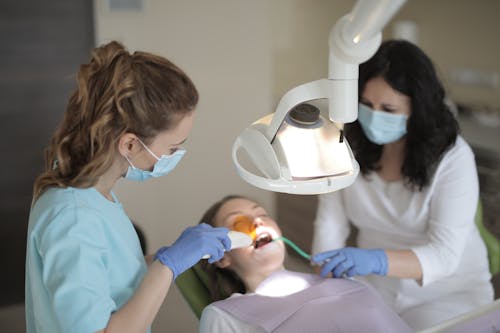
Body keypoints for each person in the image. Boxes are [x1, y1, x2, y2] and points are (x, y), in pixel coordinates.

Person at [25, 41, 231, 333]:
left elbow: (109, 274)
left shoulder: (93, 193)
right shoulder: (72, 217)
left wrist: (174, 256)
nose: (175, 156)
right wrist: (167, 265)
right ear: (131, 144)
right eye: (172, 148)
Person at [311, 39, 494, 330]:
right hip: (375, 286)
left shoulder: (453, 158)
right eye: (367, 105)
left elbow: (444, 256)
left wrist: (376, 260)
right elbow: (330, 223)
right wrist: (325, 273)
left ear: (417, 110)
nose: (374, 116)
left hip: (448, 291)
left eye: (388, 108)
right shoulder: (346, 145)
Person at [197, 195, 412, 333]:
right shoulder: (224, 316)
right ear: (222, 257)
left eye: (262, 214)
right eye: (239, 222)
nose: (258, 222)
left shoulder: (342, 280)